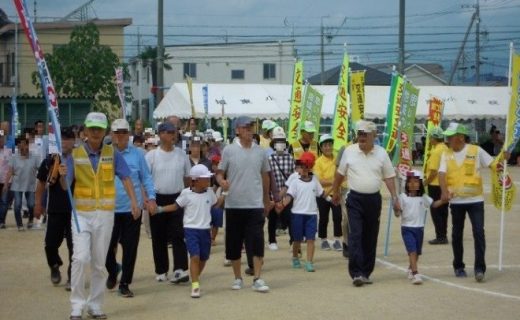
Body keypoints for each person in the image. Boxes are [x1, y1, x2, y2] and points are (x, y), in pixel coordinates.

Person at [68, 112, 140, 320]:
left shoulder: (112, 153)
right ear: (85, 131)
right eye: (92, 129)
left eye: (99, 129)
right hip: (81, 213)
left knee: (99, 262)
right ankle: (76, 305)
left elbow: (126, 177)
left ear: (105, 131)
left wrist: (134, 202)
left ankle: (95, 305)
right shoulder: (75, 154)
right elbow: (65, 185)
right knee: (80, 258)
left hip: (105, 213)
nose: (96, 132)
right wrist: (63, 173)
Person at [331, 120, 401, 287]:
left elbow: (389, 177)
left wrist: (395, 198)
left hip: (373, 200)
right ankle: (356, 273)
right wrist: (335, 192)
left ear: (373, 135)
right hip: (354, 199)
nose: (361, 137)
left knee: (370, 236)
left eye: (365, 134)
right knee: (355, 234)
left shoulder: (382, 153)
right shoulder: (349, 151)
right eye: (359, 134)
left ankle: (366, 272)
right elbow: (339, 174)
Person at [216, 116, 272, 293]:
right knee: (234, 243)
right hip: (234, 204)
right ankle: (237, 277)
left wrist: (266, 199)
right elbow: (219, 173)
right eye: (245, 127)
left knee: (256, 241)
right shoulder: (229, 150)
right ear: (237, 130)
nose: (249, 129)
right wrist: (221, 181)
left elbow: (265, 177)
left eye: (251, 126)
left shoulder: (261, 151)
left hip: (255, 204)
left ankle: (257, 278)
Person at [152, 164, 225, 298]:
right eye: (205, 178)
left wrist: (225, 194)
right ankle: (195, 285)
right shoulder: (186, 193)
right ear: (196, 180)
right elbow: (175, 206)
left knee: (203, 257)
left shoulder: (209, 192)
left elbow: (215, 205)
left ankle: (195, 276)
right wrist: (159, 209)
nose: (208, 180)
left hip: (205, 230)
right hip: (191, 229)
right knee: (195, 256)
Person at [438, 122, 497, 283]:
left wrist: (501, 166)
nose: (448, 139)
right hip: (456, 202)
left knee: (478, 232)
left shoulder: (475, 151)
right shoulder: (446, 154)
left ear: (461, 137)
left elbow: (493, 164)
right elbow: (441, 174)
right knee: (457, 234)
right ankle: (458, 266)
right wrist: (444, 192)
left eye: (450, 136)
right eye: (447, 136)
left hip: (475, 200)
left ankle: (480, 268)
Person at [105, 119, 157, 298]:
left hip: (131, 210)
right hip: (108, 210)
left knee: (130, 248)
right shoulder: (104, 154)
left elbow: (146, 178)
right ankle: (112, 270)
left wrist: (151, 198)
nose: (120, 136)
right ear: (111, 135)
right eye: (116, 133)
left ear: (128, 134)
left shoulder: (137, 155)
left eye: (123, 133)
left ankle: (125, 283)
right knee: (106, 247)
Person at [145, 121, 191, 284]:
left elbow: (187, 177)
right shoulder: (151, 156)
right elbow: (145, 179)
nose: (173, 135)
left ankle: (180, 268)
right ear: (161, 134)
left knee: (178, 234)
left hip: (177, 197)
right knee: (158, 236)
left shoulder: (181, 154)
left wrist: (186, 196)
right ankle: (161, 269)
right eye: (169, 132)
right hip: (157, 197)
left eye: (174, 132)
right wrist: (148, 200)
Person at [34, 127, 76, 290]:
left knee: (75, 247)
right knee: (50, 244)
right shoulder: (50, 161)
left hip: (75, 211)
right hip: (55, 209)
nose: (64, 142)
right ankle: (54, 264)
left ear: (74, 141)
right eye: (62, 139)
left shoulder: (79, 160)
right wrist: (38, 204)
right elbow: (41, 183)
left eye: (68, 139)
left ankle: (72, 277)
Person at [279, 152, 327, 272]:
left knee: (311, 239)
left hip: (311, 215)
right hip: (297, 214)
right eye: (302, 166)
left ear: (310, 167)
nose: (303, 169)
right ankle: (295, 257)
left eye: (306, 166)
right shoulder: (295, 182)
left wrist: (333, 196)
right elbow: (289, 196)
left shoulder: (314, 180)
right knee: (297, 239)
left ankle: (309, 262)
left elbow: (322, 194)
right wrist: (282, 204)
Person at [395, 170, 433, 285]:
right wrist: (396, 208)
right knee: (412, 250)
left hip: (419, 228)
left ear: (420, 184)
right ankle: (416, 273)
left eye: (416, 182)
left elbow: (433, 204)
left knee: (417, 253)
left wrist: (444, 200)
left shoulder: (423, 197)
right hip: (407, 228)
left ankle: (411, 268)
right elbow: (398, 214)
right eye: (410, 182)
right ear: (406, 184)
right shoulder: (402, 197)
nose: (413, 184)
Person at [2, 136, 39, 230]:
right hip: (17, 185)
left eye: (23, 144)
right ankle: (20, 225)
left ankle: (30, 220)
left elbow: (39, 169)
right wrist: (6, 184)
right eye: (19, 145)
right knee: (17, 205)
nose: (21, 147)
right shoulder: (14, 157)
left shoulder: (34, 157)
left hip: (30, 185)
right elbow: (10, 171)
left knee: (31, 205)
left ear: (27, 145)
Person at [314, 134, 343, 251]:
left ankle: (337, 239)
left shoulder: (337, 159)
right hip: (323, 195)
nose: (328, 147)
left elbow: (342, 175)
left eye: (330, 145)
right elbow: (320, 181)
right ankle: (324, 240)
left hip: (336, 193)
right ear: (321, 147)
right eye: (325, 145)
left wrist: (335, 183)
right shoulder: (318, 162)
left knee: (337, 216)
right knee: (324, 217)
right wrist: (335, 181)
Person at [267, 127, 294, 251]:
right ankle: (272, 240)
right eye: (277, 141)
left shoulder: (290, 158)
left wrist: (285, 189)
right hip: (273, 194)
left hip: (287, 193)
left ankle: (293, 240)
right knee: (272, 218)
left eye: (282, 141)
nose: (280, 143)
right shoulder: (269, 159)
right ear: (273, 143)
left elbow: (293, 176)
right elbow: (267, 177)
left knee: (290, 218)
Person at [423, 126, 450, 245]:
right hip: (445, 184)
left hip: (435, 185)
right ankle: (443, 234)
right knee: (443, 211)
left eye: (430, 137)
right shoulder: (446, 148)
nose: (430, 139)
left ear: (434, 138)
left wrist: (425, 182)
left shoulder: (436, 151)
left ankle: (440, 236)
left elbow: (433, 171)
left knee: (435, 210)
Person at [0, 130, 13, 229]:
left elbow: (10, 168)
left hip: (5, 181)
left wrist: (6, 183)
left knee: (4, 202)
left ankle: (2, 221)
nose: (1, 140)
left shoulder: (8, 151)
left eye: (2, 138)